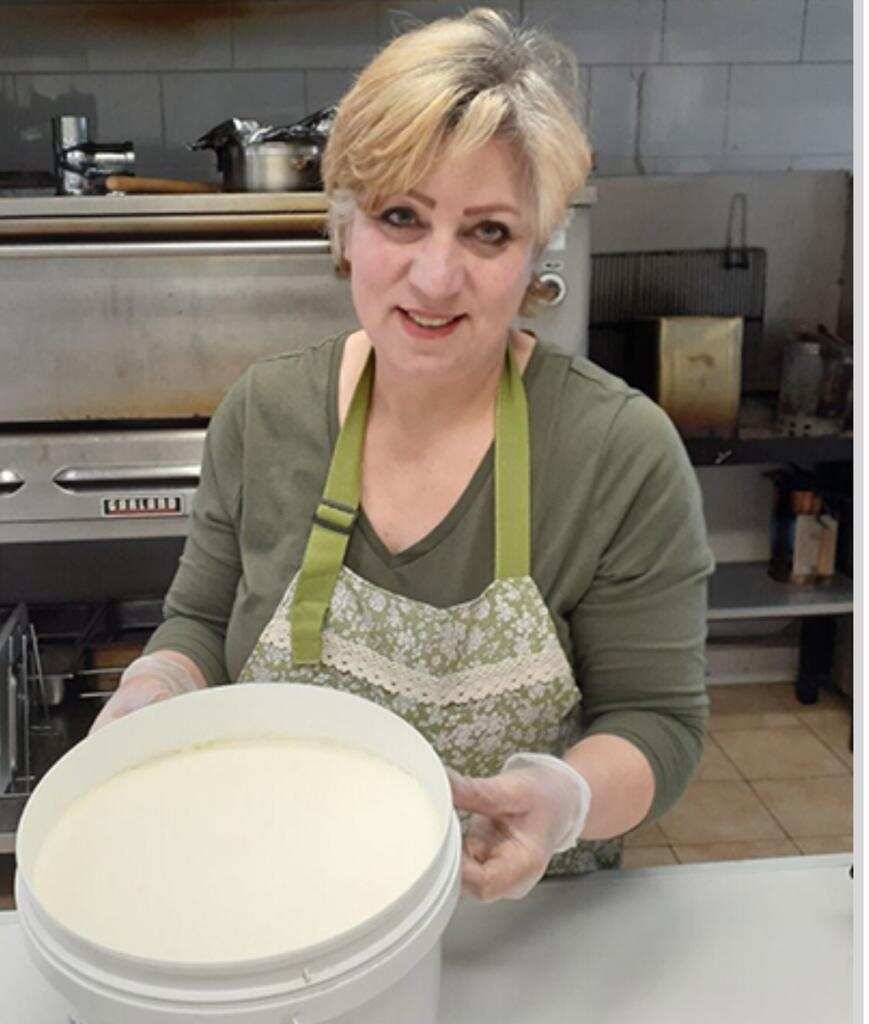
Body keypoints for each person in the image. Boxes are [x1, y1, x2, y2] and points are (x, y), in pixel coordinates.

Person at [91, 8, 714, 902]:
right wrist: (154, 685)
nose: (433, 276)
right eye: (400, 217)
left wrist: (564, 798)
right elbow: (200, 623)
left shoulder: (615, 451)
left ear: (538, 251)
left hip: (522, 925)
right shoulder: (265, 413)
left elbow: (657, 722)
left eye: (488, 231)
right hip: (281, 900)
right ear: (344, 229)